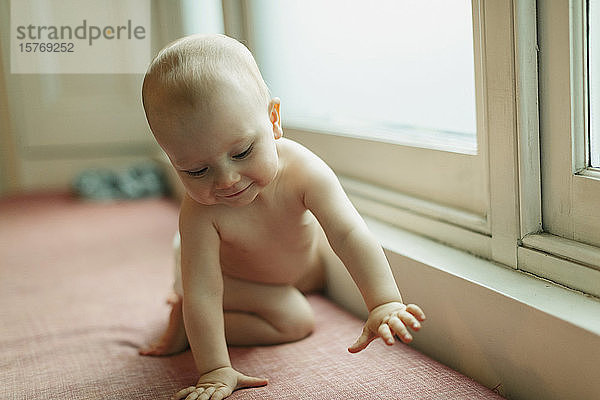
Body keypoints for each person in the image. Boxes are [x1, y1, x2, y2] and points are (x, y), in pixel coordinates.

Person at [139, 33, 426, 400]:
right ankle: (185, 320)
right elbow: (205, 292)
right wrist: (213, 369)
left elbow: (349, 233)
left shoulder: (304, 170)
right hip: (222, 279)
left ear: (273, 120)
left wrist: (383, 302)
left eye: (242, 152)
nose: (226, 180)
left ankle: (189, 318)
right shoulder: (200, 212)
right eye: (196, 171)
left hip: (286, 265)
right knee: (295, 319)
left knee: (317, 270)